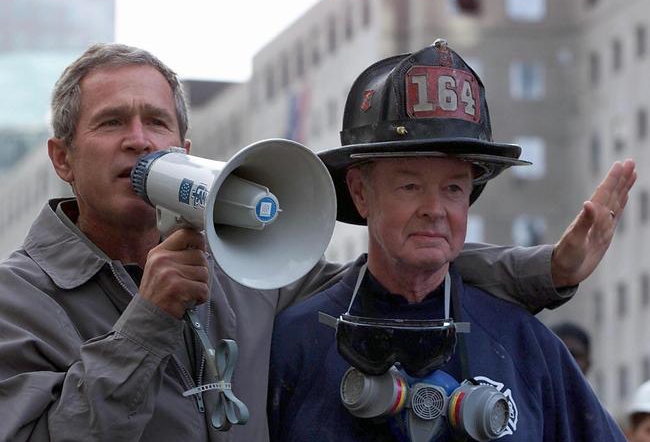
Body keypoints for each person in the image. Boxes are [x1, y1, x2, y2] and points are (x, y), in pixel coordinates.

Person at [0, 43, 632, 442]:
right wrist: (146, 324)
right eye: (112, 123)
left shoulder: (249, 275)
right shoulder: (20, 299)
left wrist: (548, 267)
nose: (140, 141)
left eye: (156, 122)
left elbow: (395, 264)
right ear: (61, 156)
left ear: (184, 152)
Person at [268, 40, 628, 441]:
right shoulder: (294, 344)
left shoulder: (527, 346)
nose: (434, 209)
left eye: (454, 188)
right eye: (410, 185)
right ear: (360, 192)